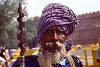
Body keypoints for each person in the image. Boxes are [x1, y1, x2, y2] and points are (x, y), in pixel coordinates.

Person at [12, 3, 82, 67]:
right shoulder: (25, 64)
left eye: (60, 32)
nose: (55, 38)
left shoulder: (74, 63)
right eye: (49, 32)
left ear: (66, 37)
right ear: (40, 36)